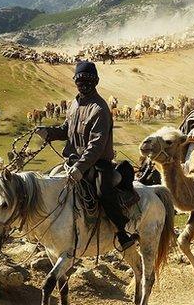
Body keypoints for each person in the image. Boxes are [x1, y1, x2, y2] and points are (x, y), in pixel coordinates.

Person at [35, 61, 137, 250]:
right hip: (72, 161)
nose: (84, 84)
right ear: (75, 81)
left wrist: (80, 168)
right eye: (80, 80)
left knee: (103, 192)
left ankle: (122, 231)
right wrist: (49, 133)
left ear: (96, 81)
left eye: (89, 80)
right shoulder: (74, 104)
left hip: (98, 164)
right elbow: (66, 129)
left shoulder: (100, 109)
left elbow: (96, 145)